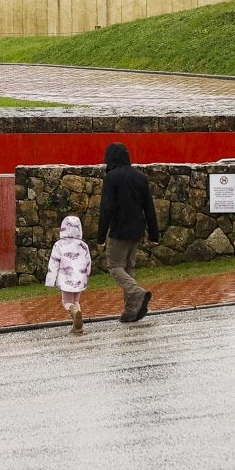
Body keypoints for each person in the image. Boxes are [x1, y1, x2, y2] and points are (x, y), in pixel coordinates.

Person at [99, 141, 159, 322]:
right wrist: (153, 234)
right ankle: (131, 310)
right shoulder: (140, 177)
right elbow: (149, 207)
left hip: (119, 231)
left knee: (115, 266)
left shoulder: (112, 178)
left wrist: (101, 237)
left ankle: (138, 293)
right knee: (129, 267)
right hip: (137, 230)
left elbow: (106, 209)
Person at [45, 214, 93, 335]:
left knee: (66, 302)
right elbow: (88, 262)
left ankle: (73, 312)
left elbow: (54, 262)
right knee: (76, 300)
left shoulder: (59, 245)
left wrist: (51, 280)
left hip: (66, 278)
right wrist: (86, 276)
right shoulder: (83, 245)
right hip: (80, 278)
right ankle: (78, 326)